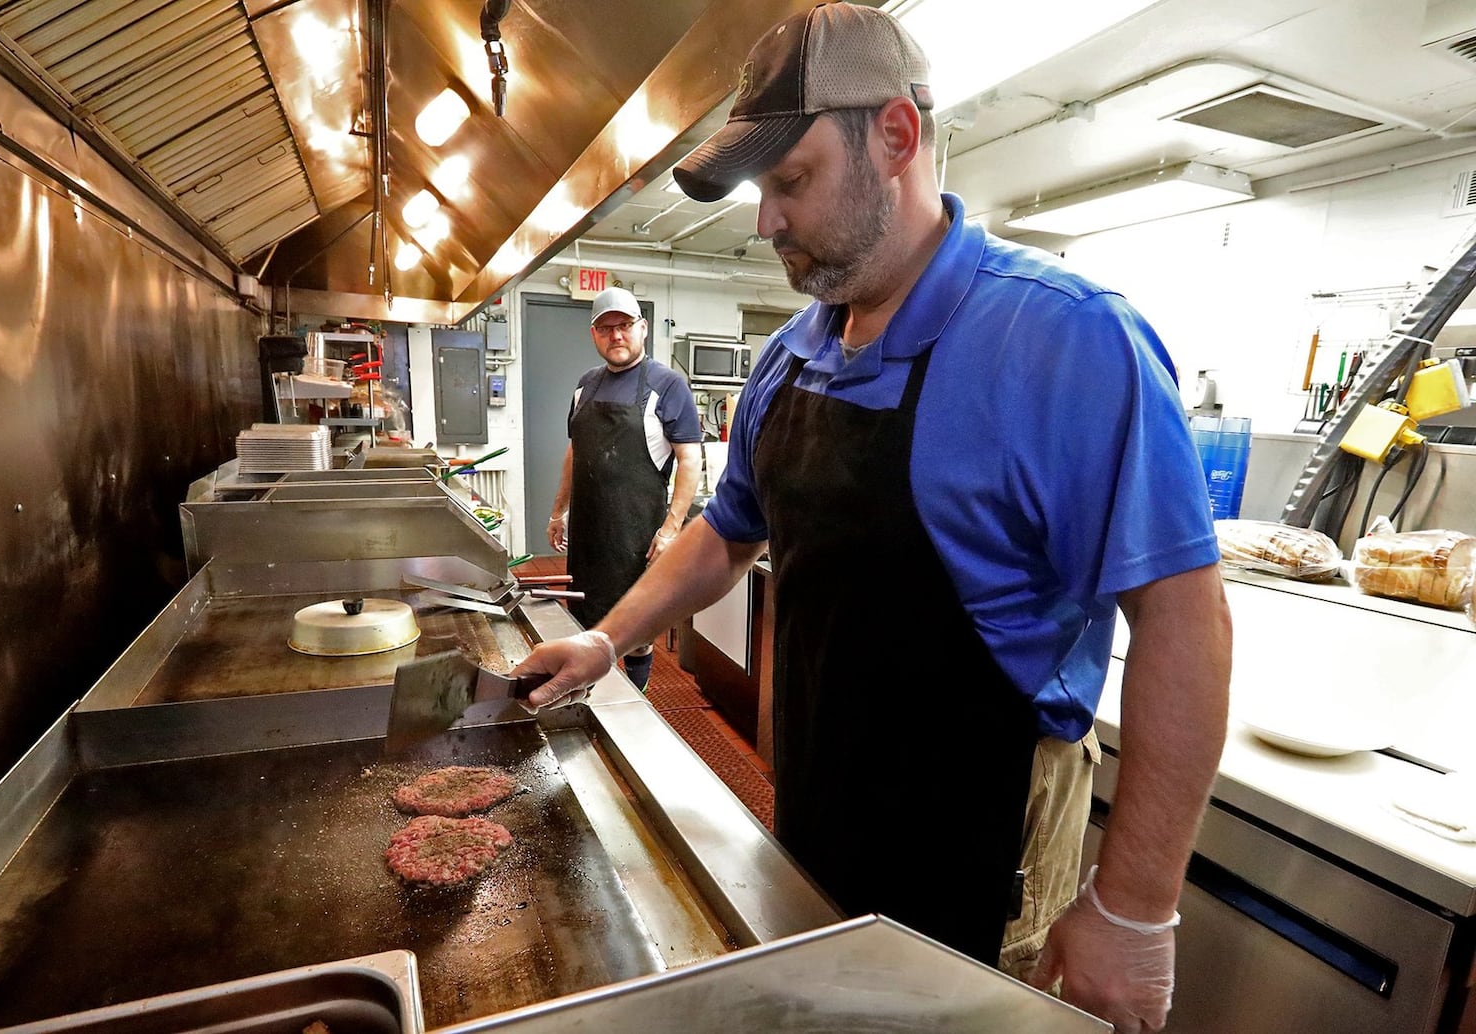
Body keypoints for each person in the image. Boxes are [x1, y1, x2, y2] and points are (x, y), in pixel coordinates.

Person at [515, 4, 1231, 1032]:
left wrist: (1134, 907)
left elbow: (1185, 621)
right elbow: (726, 531)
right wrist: (605, 635)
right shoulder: (793, 354)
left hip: (982, 822)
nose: (765, 220)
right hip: (818, 788)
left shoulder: (1063, 339)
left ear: (895, 136)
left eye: (789, 180)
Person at [544, 286, 702, 691]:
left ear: (642, 329)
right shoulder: (585, 385)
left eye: (625, 326)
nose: (616, 335)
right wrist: (558, 510)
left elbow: (689, 460)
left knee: (636, 636)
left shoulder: (667, 386)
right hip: (589, 535)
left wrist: (671, 529)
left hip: (636, 538)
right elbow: (574, 451)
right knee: (584, 622)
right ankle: (589, 702)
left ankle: (635, 701)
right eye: (605, 328)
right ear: (594, 334)